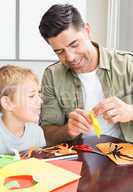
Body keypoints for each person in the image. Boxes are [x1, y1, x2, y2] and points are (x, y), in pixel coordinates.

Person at [39, 4, 133, 146]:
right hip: (78, 158)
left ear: (87, 31)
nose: (70, 57)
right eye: (59, 52)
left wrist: (130, 112)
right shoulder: (52, 76)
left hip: (126, 159)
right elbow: (48, 135)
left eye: (74, 44)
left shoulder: (128, 64)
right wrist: (67, 130)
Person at [0, 65, 46, 154]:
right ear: (7, 103)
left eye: (39, 94)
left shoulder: (37, 132)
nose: (40, 101)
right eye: (31, 96)